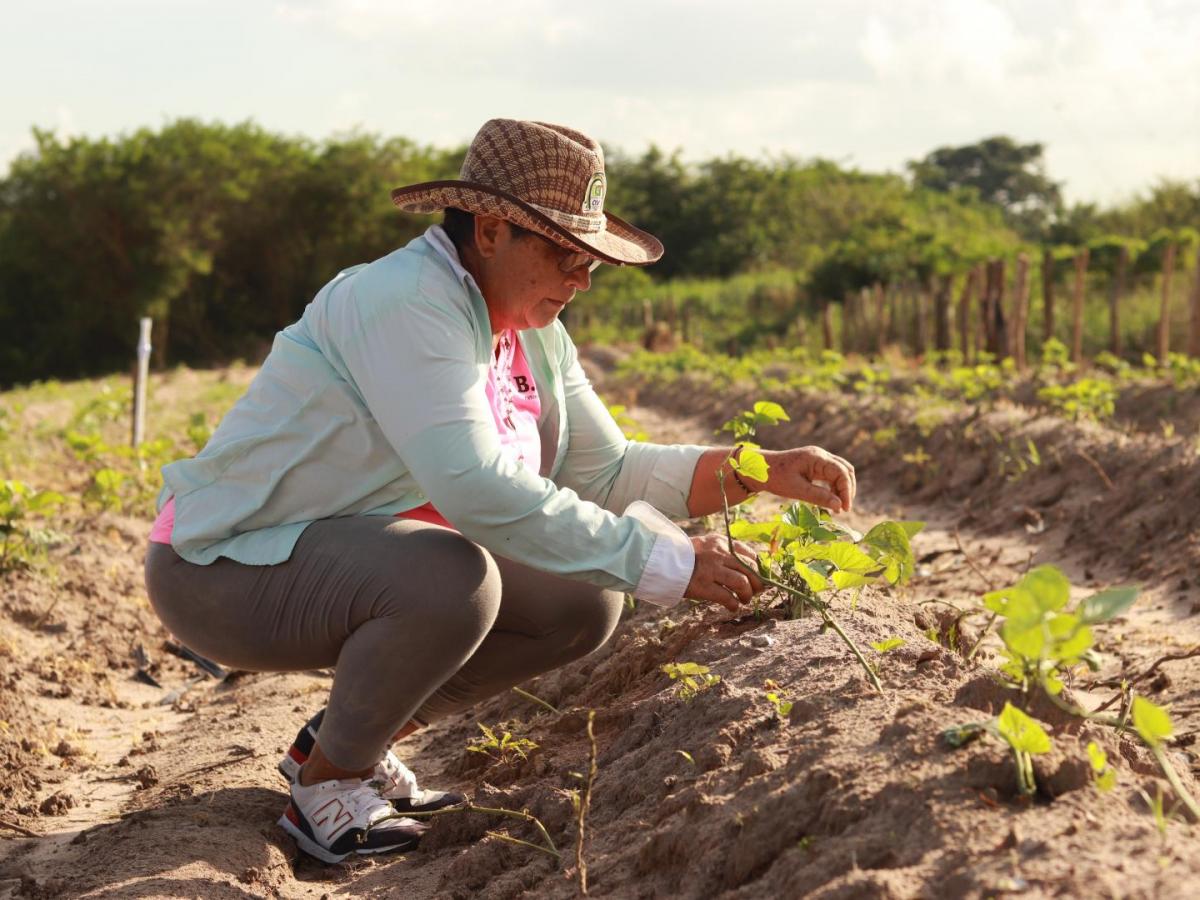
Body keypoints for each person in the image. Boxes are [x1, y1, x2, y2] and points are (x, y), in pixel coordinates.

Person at [143, 118, 856, 864]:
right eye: (565, 254)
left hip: (337, 556)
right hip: (223, 567)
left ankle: (347, 739)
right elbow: (477, 489)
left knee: (580, 602)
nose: (582, 280)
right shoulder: (406, 301)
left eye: (591, 262)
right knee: (454, 578)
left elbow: (607, 472)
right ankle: (327, 789)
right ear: (489, 230)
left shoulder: (531, 329)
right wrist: (668, 562)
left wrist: (757, 468)